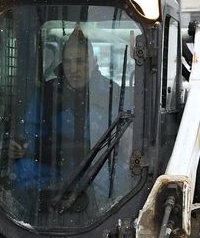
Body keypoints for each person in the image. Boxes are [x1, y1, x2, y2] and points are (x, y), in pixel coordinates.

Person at [9, 29, 127, 201]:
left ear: (93, 62)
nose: (73, 69)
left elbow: (127, 139)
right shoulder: (47, 94)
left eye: (79, 61)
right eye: (67, 62)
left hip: (98, 168)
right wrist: (24, 146)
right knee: (23, 169)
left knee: (120, 176)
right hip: (54, 169)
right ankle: (37, 221)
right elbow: (32, 131)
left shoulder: (113, 94)